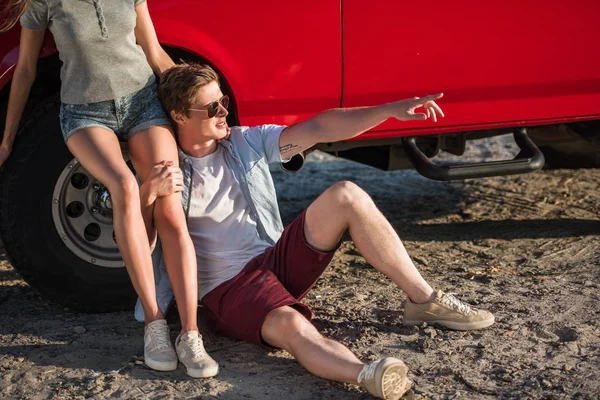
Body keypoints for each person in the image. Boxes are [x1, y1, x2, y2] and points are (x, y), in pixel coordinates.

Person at [137, 62, 495, 398]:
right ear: (180, 115)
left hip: (272, 259)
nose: (223, 112)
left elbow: (321, 127)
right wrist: (147, 193)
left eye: (223, 101)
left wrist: (388, 110)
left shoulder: (243, 143)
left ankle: (425, 301)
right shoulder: (170, 172)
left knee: (346, 194)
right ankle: (366, 374)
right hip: (229, 290)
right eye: (211, 108)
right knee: (292, 327)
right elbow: (146, 244)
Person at [0, 1, 215, 377]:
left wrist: (198, 105)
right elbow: (27, 70)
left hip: (143, 103)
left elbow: (152, 50)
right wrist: (6, 139)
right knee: (125, 187)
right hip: (85, 113)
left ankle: (190, 333)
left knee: (169, 204)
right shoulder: (42, 2)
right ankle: (154, 324)